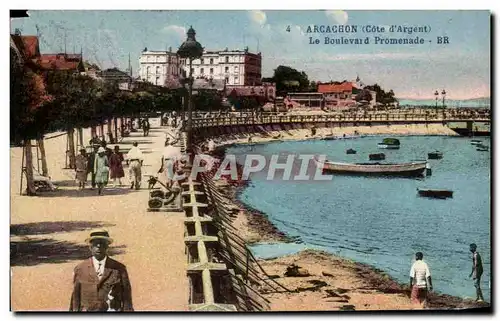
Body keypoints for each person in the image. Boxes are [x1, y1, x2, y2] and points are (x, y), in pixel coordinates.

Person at [70, 229, 133, 312]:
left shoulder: (119, 269)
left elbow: (127, 298)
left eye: (102, 243)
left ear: (107, 247)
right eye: (96, 244)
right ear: (90, 247)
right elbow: (75, 298)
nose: (99, 246)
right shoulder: (80, 269)